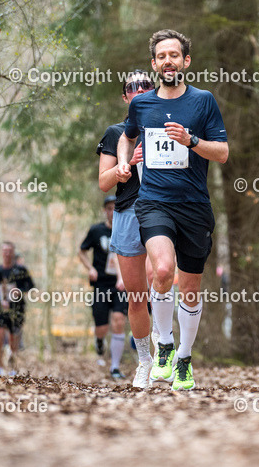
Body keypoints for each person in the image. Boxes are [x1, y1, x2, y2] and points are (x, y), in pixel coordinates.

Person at [116, 29, 228, 390]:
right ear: (154, 64)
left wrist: (191, 140)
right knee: (162, 270)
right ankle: (163, 344)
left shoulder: (203, 101)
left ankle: (184, 357)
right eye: (161, 56)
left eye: (174, 55)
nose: (168, 61)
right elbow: (126, 135)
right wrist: (123, 164)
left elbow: (223, 153)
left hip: (195, 206)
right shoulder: (142, 103)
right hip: (154, 202)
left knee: (191, 288)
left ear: (185, 61)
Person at [98, 70, 162, 388]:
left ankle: (171, 351)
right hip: (127, 213)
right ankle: (145, 361)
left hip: (164, 209)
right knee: (137, 296)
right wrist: (123, 169)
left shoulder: (169, 125)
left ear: (154, 90)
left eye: (145, 85)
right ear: (125, 97)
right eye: (131, 88)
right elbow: (103, 182)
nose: (138, 90)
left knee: (159, 277)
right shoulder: (115, 133)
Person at [78, 196, 127, 377]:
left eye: (116, 207)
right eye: (109, 208)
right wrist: (90, 269)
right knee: (102, 327)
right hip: (101, 285)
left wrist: (124, 278)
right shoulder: (96, 230)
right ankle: (99, 341)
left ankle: (115, 367)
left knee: (119, 321)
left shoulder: (126, 230)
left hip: (120, 285)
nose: (112, 211)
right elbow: (81, 251)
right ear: (105, 211)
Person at [3, 244, 36, 373]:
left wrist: (20, 291)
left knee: (16, 332)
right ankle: (5, 355)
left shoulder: (22, 270)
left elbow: (31, 286)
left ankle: (13, 355)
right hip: (4, 307)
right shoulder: (0, 270)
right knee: (5, 331)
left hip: (19, 306)